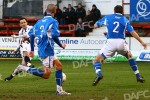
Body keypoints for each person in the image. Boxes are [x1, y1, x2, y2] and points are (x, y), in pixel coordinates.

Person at [12, 4, 71, 95]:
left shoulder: (39, 21)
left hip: (41, 48)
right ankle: (23, 68)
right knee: (46, 74)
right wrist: (61, 45)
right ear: (55, 11)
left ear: (46, 11)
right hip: (47, 49)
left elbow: (31, 35)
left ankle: (59, 90)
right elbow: (55, 35)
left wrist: (32, 49)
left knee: (59, 66)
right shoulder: (53, 21)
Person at [92, 5, 147, 86]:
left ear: (114, 11)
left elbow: (95, 25)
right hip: (121, 43)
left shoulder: (108, 17)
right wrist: (142, 42)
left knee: (96, 60)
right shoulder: (125, 19)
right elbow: (132, 32)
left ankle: (99, 74)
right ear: (122, 12)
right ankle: (138, 76)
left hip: (110, 43)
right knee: (130, 57)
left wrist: (101, 26)